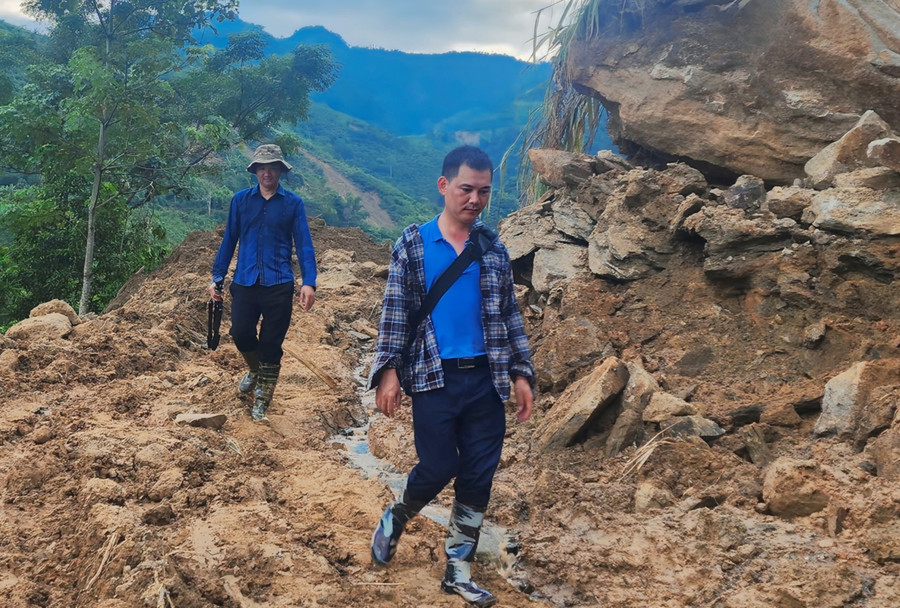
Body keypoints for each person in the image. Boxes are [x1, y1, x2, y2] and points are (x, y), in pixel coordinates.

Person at [367, 145, 534, 607]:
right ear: (444, 186)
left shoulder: (493, 248)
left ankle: (458, 569)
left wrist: (522, 373)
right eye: (466, 189)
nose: (475, 199)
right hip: (433, 377)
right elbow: (396, 313)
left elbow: (509, 316)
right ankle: (398, 516)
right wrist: (389, 372)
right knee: (439, 466)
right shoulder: (414, 245)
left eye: (483, 191)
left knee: (479, 475)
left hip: (486, 378)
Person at [209, 143, 317, 423]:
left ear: (280, 170)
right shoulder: (241, 201)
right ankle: (255, 371)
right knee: (240, 332)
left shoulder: (293, 204)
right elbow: (229, 239)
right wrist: (217, 277)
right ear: (255, 170)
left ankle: (262, 402)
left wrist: (309, 282)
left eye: (272, 168)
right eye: (262, 168)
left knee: (271, 344)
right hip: (245, 279)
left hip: (279, 282)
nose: (267, 173)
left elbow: (304, 245)